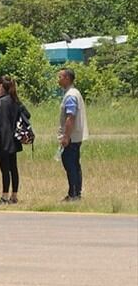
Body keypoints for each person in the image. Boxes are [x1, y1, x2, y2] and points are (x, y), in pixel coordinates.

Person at [0, 75, 28, 205]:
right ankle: (14, 195)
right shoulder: (15, 100)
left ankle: (4, 196)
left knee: (4, 169)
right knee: (13, 168)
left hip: (1, 139)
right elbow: (27, 115)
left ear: (1, 86)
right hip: (14, 138)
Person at [57, 68, 89, 202]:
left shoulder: (70, 95)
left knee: (70, 165)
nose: (58, 80)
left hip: (71, 137)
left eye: (60, 77)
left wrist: (66, 136)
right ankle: (76, 193)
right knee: (75, 164)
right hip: (76, 136)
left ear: (67, 78)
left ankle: (73, 194)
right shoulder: (74, 93)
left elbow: (71, 117)